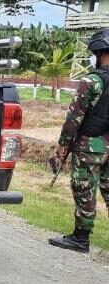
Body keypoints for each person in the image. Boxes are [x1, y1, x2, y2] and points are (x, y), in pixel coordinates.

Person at [49, 28, 109, 253]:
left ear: (99, 52)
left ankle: (80, 239)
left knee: (84, 190)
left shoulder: (92, 81)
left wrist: (63, 145)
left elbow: (74, 118)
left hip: (90, 147)